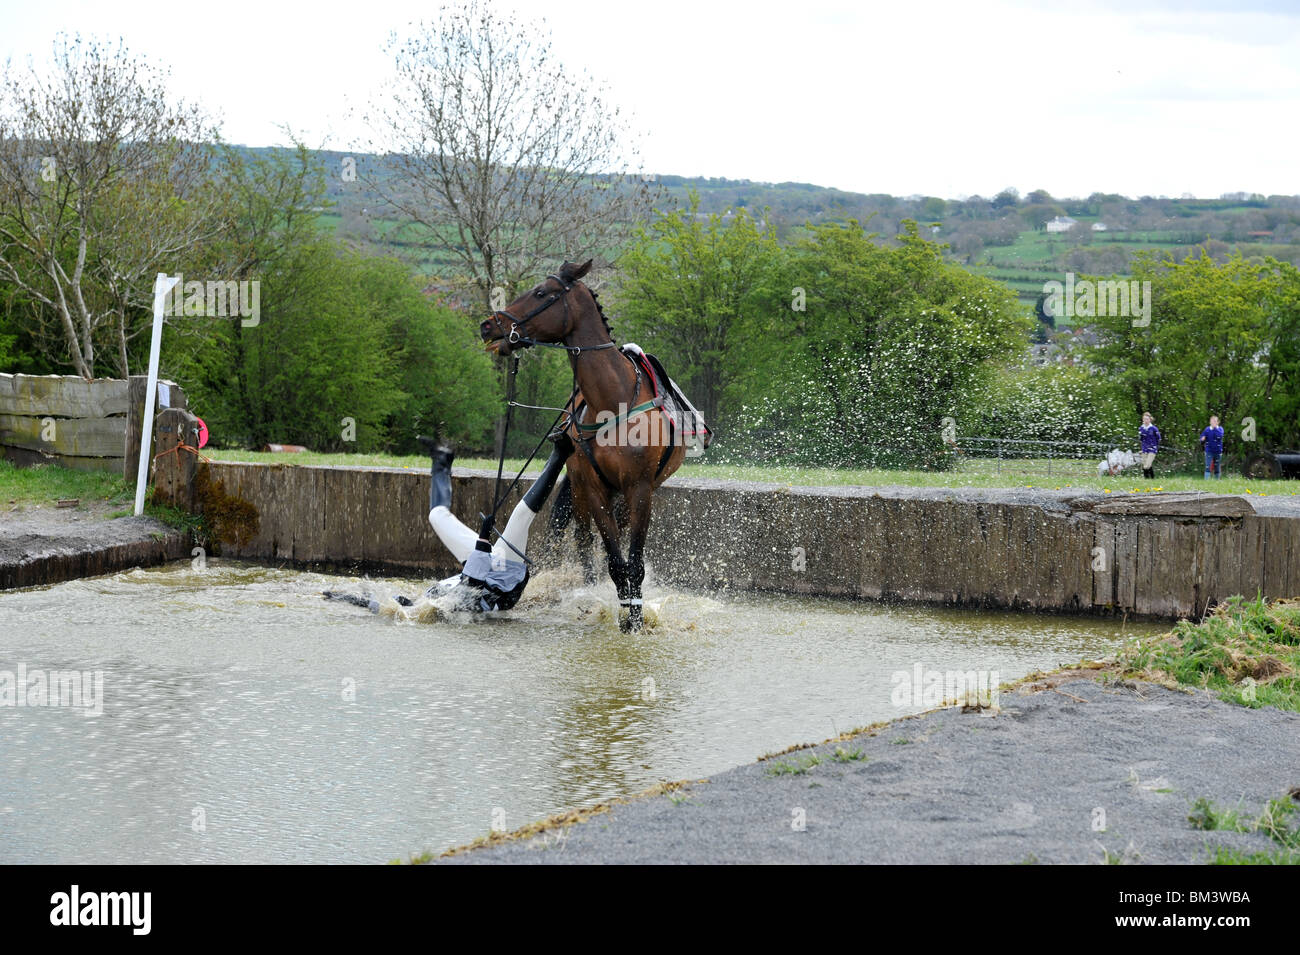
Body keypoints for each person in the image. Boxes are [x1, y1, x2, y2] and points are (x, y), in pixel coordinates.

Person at [325, 431, 573, 614]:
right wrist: (484, 538)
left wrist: (345, 599)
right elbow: (473, 585)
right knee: (520, 516)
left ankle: (441, 461)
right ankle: (561, 453)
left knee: (436, 515)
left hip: (477, 566)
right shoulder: (453, 609)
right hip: (502, 579)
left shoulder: (420, 609)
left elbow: (385, 609)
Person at [1199, 415, 1224, 480]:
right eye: (1212, 421)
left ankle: (1217, 480)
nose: (1213, 423)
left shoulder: (1220, 429)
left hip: (1218, 451)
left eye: (1215, 421)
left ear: (1218, 422)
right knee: (1208, 466)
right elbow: (1202, 437)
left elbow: (1219, 436)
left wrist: (1215, 428)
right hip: (1209, 451)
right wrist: (1202, 439)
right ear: (1210, 422)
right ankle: (1206, 480)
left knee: (1217, 467)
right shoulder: (1207, 429)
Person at [1138, 412, 1161, 479]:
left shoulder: (1154, 428)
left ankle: (1147, 478)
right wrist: (1141, 436)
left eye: (1147, 419)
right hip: (1144, 448)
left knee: (1147, 466)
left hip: (1152, 449)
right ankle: (1151, 478)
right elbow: (1141, 439)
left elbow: (1158, 438)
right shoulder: (1141, 428)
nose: (1146, 421)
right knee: (1145, 464)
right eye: (1144, 419)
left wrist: (1155, 445)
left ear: (1150, 420)